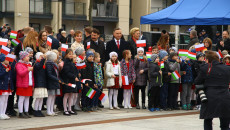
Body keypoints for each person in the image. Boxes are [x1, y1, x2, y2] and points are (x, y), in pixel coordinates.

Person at [194, 51, 230, 130]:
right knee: (225, 124)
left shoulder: (205, 68)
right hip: (225, 96)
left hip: (210, 96)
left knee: (208, 120)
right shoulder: (227, 68)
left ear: (207, 59)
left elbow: (197, 81)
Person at [16, 51, 34, 118]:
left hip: (29, 84)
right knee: (21, 99)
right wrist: (27, 70)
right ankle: (21, 112)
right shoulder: (19, 64)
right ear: (23, 57)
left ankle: (26, 111)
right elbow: (20, 73)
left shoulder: (29, 64)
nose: (28, 57)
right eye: (27, 56)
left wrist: (33, 84)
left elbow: (32, 76)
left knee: (27, 98)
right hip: (22, 84)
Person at [61, 49, 78, 116]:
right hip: (67, 81)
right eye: (69, 54)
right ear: (66, 55)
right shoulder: (66, 62)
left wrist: (76, 75)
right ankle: (65, 110)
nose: (71, 55)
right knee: (66, 95)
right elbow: (66, 72)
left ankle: (70, 109)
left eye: (72, 54)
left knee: (71, 94)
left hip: (72, 80)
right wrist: (74, 76)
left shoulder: (71, 62)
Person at [45, 51, 61, 116]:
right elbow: (49, 74)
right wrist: (57, 79)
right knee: (50, 96)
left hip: (54, 82)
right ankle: (48, 110)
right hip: (51, 82)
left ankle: (51, 110)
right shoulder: (48, 64)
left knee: (53, 96)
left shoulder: (54, 64)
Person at [33, 52, 47, 117]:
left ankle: (39, 110)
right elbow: (38, 67)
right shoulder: (36, 64)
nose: (42, 58)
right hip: (38, 82)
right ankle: (36, 110)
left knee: (41, 98)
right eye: (40, 57)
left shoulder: (42, 64)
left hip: (43, 82)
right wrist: (43, 59)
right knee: (38, 98)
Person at [0, 54, 14, 120]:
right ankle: (1, 113)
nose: (8, 61)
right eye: (7, 59)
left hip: (8, 85)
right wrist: (5, 71)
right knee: (2, 100)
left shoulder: (9, 67)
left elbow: (10, 78)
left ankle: (4, 112)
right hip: (2, 85)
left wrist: (12, 87)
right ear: (3, 60)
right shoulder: (1, 66)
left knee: (6, 100)